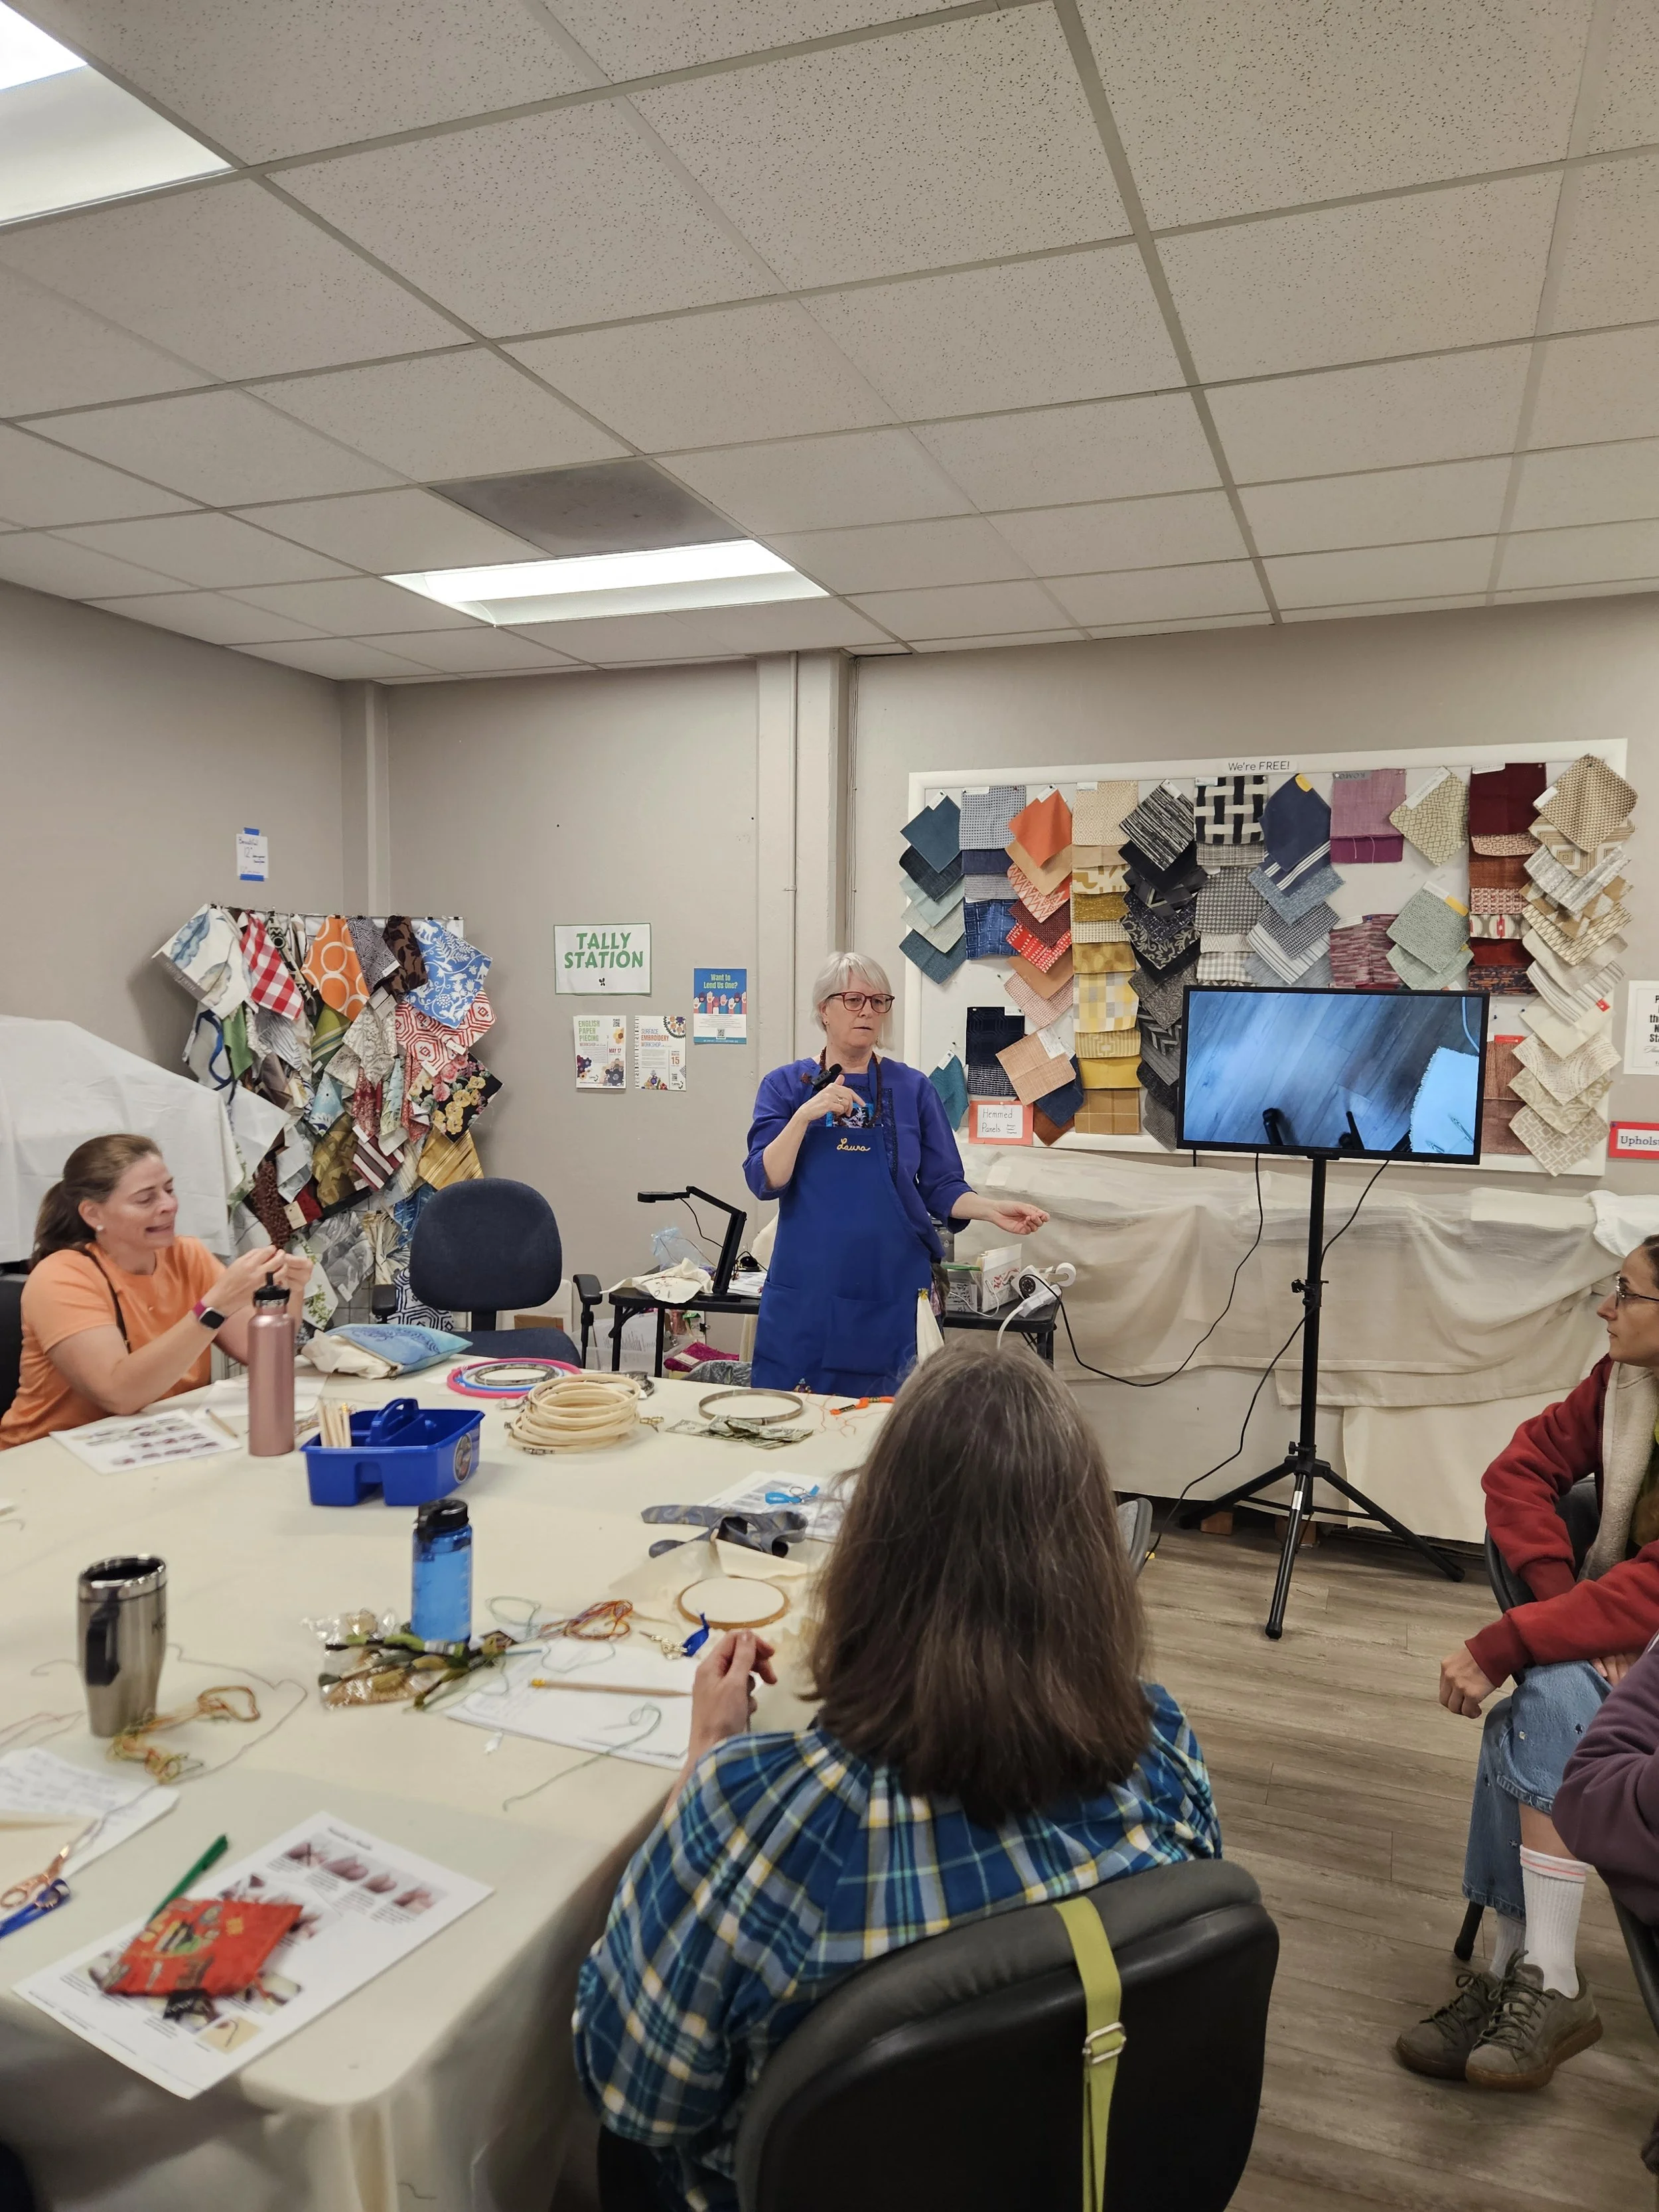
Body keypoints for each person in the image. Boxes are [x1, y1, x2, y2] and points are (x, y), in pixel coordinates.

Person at [573, 1341, 1220, 2212]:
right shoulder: (1167, 1752)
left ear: (871, 1564)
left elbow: (632, 2089)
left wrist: (701, 1769)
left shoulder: (761, 1817)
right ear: (1093, 1573)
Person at [1394, 1238, 1659, 2090]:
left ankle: (1542, 1971)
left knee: (1537, 1697)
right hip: (1637, 1641)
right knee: (1539, 1696)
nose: (1605, 1308)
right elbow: (1518, 1470)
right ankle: (1532, 1973)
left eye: (1627, 1292)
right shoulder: (1623, 1384)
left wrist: (1522, 1635)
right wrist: (1562, 1616)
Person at [743, 953, 1048, 1396]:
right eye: (853, 999)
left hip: (891, 1298)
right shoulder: (785, 1087)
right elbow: (764, 1179)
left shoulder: (913, 1089)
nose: (868, 1010)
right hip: (808, 1300)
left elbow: (942, 1186)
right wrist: (804, 1117)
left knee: (892, 1436)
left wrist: (990, 1209)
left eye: (879, 1000)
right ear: (823, 1010)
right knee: (791, 1431)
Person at [0, 1134, 311, 1449]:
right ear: (93, 1214)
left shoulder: (187, 1255)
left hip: (152, 1440)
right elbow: (119, 1395)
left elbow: (261, 1353)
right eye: (145, 1199)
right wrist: (213, 1308)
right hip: (45, 1456)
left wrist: (290, 1292)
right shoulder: (62, 1276)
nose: (169, 1206)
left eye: (169, 1190)